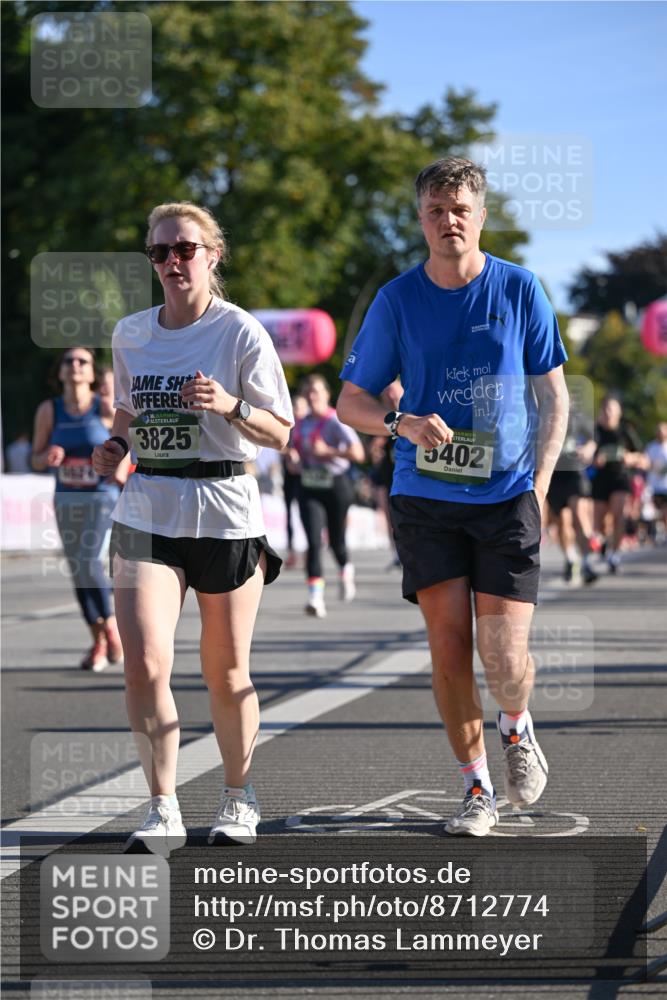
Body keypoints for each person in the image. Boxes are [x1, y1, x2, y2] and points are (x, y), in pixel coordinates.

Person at [338, 156, 568, 837]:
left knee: (502, 656)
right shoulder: (396, 300)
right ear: (420, 219)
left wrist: (541, 485)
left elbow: (553, 395)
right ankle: (475, 789)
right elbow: (351, 399)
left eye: (459, 209)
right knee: (447, 646)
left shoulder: (518, 289)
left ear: (480, 215)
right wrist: (397, 422)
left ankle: (516, 725)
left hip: (505, 497)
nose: (448, 221)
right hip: (425, 495)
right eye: (435, 211)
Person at [92, 201, 292, 854]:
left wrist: (230, 405)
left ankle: (238, 795)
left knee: (226, 672)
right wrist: (116, 448)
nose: (173, 262)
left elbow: (281, 433)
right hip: (147, 507)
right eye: (160, 252)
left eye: (185, 249)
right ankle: (161, 805)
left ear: (212, 255)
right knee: (145, 665)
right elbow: (125, 411)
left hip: (225, 508)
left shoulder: (239, 334)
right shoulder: (130, 334)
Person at [31, 348, 130, 670]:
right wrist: (46, 458)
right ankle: (98, 639)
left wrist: (120, 464)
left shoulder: (104, 407)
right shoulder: (50, 410)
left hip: (100, 495)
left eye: (82, 362)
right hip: (66, 498)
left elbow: (128, 442)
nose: (75, 365)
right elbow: (35, 457)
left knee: (88, 560)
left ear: (92, 374)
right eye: (68, 361)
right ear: (59, 372)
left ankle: (111, 629)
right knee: (78, 569)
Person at [288, 374, 365, 618]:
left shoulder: (336, 421)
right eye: (309, 392)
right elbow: (290, 448)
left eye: (317, 392)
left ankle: (345, 568)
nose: (312, 397)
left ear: (326, 395)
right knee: (312, 541)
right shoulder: (300, 423)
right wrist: (292, 458)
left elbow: (358, 453)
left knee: (336, 542)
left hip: (336, 485)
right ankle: (315, 597)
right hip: (309, 485)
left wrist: (328, 451)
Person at [591, 396, 647, 573]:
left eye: (612, 409)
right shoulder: (596, 431)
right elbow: (585, 454)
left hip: (621, 478)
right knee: (599, 521)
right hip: (600, 478)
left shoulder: (625, 431)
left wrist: (630, 458)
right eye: (606, 409)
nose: (608, 413)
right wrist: (594, 460)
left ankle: (614, 556)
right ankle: (605, 543)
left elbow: (644, 459)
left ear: (619, 412)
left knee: (619, 515)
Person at [546, 405, 598, 584]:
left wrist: (588, 450)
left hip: (575, 471)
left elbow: (593, 439)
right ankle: (570, 559)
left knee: (579, 514)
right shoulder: (541, 415)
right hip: (554, 473)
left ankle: (586, 563)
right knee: (562, 521)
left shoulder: (576, 415)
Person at [282, 392, 309, 568]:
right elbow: (277, 444)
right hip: (289, 475)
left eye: (300, 406)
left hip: (306, 476)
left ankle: (309, 551)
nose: (296, 410)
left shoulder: (310, 425)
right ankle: (291, 551)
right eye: (294, 406)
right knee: (289, 515)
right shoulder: (288, 427)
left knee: (306, 514)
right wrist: (288, 453)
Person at [645, 421, 667, 542]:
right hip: (654, 486)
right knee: (656, 512)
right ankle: (659, 531)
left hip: (666, 486)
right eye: (658, 430)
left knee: (665, 511)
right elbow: (645, 462)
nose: (661, 433)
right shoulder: (651, 447)